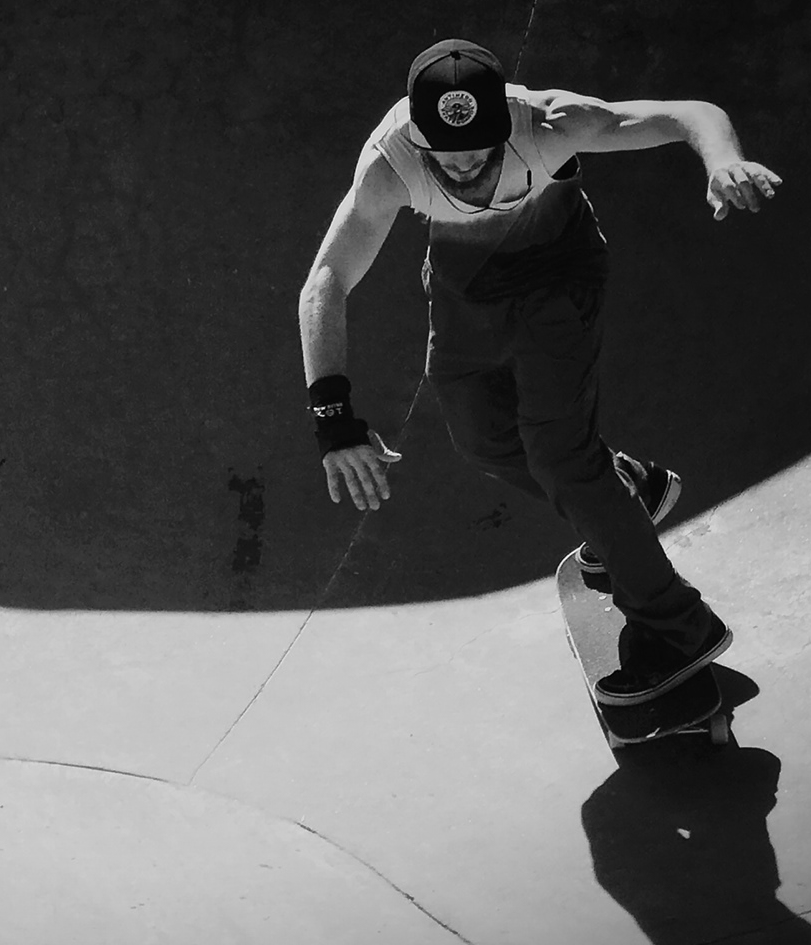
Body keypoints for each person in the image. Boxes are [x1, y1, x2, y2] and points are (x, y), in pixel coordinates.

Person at [297, 38, 781, 705]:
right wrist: (334, 422)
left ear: (506, 122)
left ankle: (678, 627)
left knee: (560, 453)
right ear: (417, 134)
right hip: (466, 287)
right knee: (481, 438)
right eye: (447, 152)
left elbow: (684, 113)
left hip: (560, 279)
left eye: (481, 147)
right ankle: (624, 494)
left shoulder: (552, 124)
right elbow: (325, 281)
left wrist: (723, 160)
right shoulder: (389, 165)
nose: (466, 164)